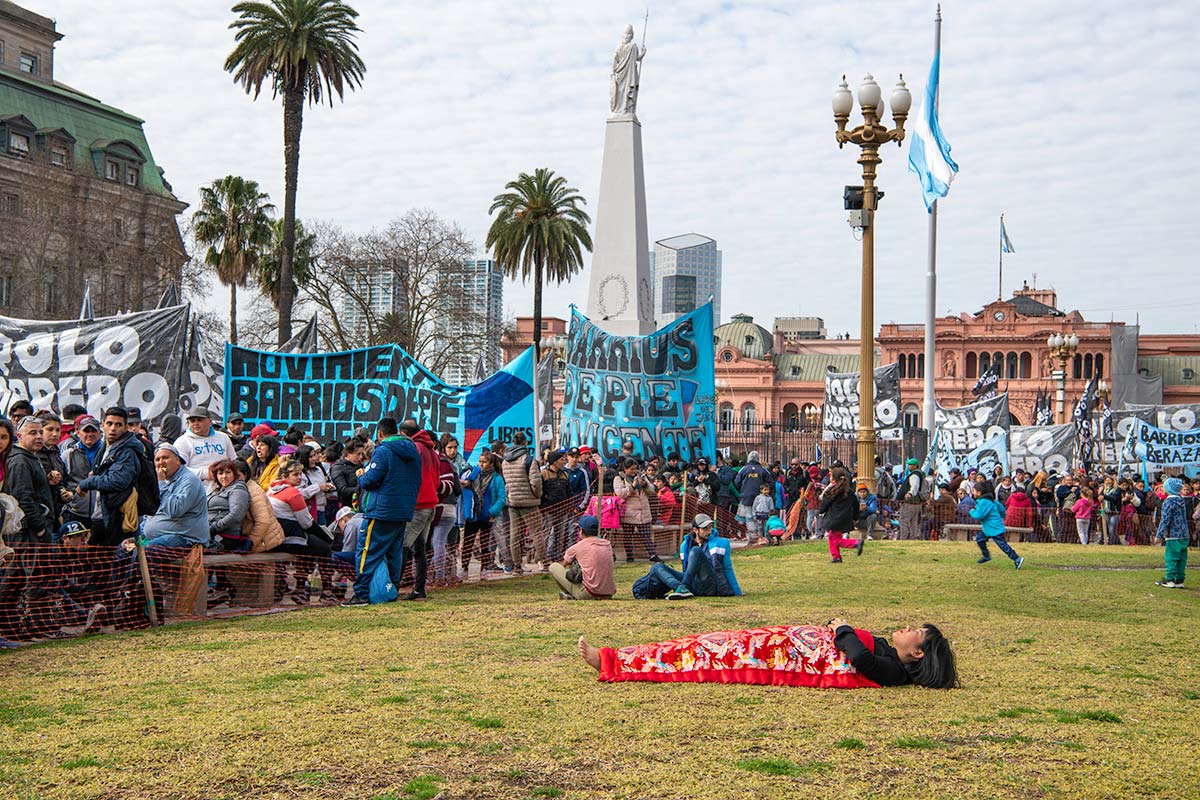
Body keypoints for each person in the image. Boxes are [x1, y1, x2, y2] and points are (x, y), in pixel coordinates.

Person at [578, 619, 957, 689]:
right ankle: (618, 657)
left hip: (777, 653)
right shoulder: (892, 654)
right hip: (782, 643)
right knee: (703, 645)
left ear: (919, 654)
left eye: (916, 632)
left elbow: (860, 660)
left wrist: (841, 627)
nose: (907, 628)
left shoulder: (894, 671)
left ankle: (614, 661)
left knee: (702, 653)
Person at [345, 417, 420, 606]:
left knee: (366, 552)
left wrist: (361, 476)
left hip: (381, 510)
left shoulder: (383, 451)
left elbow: (371, 480)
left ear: (379, 434)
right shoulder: (413, 451)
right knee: (394, 552)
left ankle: (361, 594)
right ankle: (390, 589)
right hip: (403, 510)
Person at [77, 407, 145, 548]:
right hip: (103, 512)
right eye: (109, 424)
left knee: (115, 562)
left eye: (118, 425)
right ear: (103, 425)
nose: (113, 428)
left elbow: (117, 481)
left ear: (126, 427)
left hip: (118, 517)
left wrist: (88, 483)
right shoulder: (105, 447)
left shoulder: (127, 450)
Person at [632, 513, 741, 600]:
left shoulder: (721, 543)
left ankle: (683, 587)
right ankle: (679, 588)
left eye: (710, 527)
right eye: (705, 528)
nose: (709, 531)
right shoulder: (684, 545)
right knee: (657, 566)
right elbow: (687, 570)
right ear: (695, 530)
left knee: (696, 551)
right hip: (693, 584)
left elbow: (727, 568)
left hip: (711, 584)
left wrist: (736, 591)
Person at [399, 421, 448, 600]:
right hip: (430, 504)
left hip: (418, 504)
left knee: (403, 546)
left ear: (404, 434)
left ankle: (394, 586)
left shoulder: (414, 449)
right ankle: (420, 588)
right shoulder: (432, 451)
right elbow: (436, 479)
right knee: (419, 548)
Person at [137, 443, 209, 549]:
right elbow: (149, 516)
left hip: (183, 539)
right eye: (157, 460)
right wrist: (139, 538)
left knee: (145, 550)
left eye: (165, 458)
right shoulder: (164, 481)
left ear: (178, 460)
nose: (161, 463)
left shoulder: (189, 480)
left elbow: (174, 510)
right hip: (153, 537)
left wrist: (160, 483)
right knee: (127, 548)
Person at [501, 431, 543, 574]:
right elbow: (536, 482)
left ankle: (517, 566)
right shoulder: (529, 459)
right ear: (525, 443)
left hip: (512, 502)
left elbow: (506, 482)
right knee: (536, 533)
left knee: (514, 535)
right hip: (529, 502)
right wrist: (537, 495)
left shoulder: (505, 460)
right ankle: (544, 562)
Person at [6, 416, 54, 544]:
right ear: (19, 436)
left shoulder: (31, 457)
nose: (39, 436)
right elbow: (22, 498)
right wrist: (41, 528)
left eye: (41, 432)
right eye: (33, 433)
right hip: (26, 533)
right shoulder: (20, 461)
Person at [460, 451, 506, 576]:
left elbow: (501, 498)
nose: (481, 464)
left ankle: (484, 568)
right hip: (473, 514)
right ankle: (464, 567)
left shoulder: (497, 479)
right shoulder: (475, 475)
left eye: (484, 462)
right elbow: (469, 484)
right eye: (480, 461)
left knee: (485, 544)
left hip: (487, 515)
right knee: (468, 543)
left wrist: (492, 512)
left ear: (491, 464)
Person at [549, 515, 615, 600]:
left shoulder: (576, 547)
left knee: (554, 567)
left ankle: (570, 593)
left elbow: (563, 566)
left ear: (581, 531)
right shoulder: (607, 544)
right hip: (608, 593)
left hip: (589, 593)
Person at [174, 408, 236, 492]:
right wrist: (207, 473)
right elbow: (179, 469)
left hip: (224, 488)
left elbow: (233, 461)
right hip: (195, 489)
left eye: (200, 420)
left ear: (210, 421)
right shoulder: (182, 442)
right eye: (192, 421)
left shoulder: (223, 437)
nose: (195, 424)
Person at [61, 415, 104, 531]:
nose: (89, 434)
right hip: (75, 512)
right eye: (86, 430)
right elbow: (62, 481)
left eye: (93, 430)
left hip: (101, 513)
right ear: (78, 432)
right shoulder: (68, 454)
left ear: (100, 433)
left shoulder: (107, 454)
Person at [613, 457, 659, 563]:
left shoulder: (641, 476)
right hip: (628, 511)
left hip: (644, 510)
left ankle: (653, 555)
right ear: (625, 469)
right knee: (628, 536)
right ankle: (630, 556)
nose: (634, 471)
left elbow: (652, 490)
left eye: (635, 469)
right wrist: (632, 487)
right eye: (631, 469)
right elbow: (621, 494)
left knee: (646, 535)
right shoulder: (619, 478)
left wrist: (645, 485)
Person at [969, 479, 1023, 569]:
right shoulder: (992, 501)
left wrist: (972, 511)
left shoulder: (984, 502)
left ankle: (1017, 558)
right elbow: (1002, 510)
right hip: (990, 528)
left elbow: (979, 515)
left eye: (974, 491)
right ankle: (986, 556)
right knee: (979, 539)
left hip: (994, 528)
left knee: (1002, 545)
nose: (973, 492)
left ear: (979, 492)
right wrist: (1001, 516)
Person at [820, 468, 864, 564]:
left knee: (836, 540)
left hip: (834, 519)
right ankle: (836, 557)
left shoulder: (832, 490)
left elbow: (825, 503)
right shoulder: (850, 492)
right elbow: (856, 505)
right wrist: (855, 517)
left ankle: (856, 543)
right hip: (845, 519)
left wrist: (821, 510)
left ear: (833, 479)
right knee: (832, 537)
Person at [207, 459, 251, 552]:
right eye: (220, 473)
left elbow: (236, 515)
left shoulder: (238, 490)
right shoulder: (219, 489)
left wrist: (213, 528)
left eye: (228, 472)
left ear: (234, 474)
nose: (224, 476)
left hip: (225, 536)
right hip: (209, 532)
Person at [1155, 477, 1189, 588]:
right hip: (1184, 534)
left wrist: (1159, 535)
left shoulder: (1168, 502)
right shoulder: (1181, 500)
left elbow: (1165, 520)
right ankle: (1179, 579)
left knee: (1171, 557)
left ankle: (1169, 579)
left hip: (1173, 535)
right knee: (1181, 558)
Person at [733, 451, 769, 533]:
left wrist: (743, 490)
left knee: (749, 516)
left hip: (746, 496)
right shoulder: (762, 470)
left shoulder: (743, 469)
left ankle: (752, 535)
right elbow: (770, 482)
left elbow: (736, 482)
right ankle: (760, 534)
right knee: (759, 515)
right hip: (760, 498)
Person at [894, 458, 929, 541]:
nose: (909, 466)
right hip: (917, 503)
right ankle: (913, 538)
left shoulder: (914, 475)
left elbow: (915, 486)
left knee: (903, 520)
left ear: (915, 466)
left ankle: (904, 538)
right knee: (913, 522)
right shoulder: (921, 474)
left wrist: (910, 493)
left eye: (910, 464)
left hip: (910, 502)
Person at [330, 438, 366, 510]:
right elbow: (343, 490)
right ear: (349, 454)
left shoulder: (360, 465)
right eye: (358, 454)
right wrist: (360, 489)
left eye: (362, 454)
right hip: (347, 507)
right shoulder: (338, 468)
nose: (361, 457)